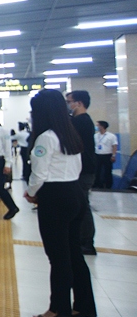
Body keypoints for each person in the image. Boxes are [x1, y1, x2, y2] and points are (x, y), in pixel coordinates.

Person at [24, 90, 96, 317]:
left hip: (55, 199)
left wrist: (31, 192)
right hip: (75, 193)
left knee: (58, 256)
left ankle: (58, 308)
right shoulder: (70, 133)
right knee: (74, 253)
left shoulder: (46, 137)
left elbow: (39, 174)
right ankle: (84, 306)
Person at [66, 91, 97, 255]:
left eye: (69, 102)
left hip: (83, 170)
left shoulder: (81, 121)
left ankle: (86, 241)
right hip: (82, 169)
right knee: (80, 205)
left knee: (82, 206)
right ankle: (82, 238)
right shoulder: (83, 120)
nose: (68, 105)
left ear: (79, 103)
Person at [93, 120, 118, 189]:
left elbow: (114, 146)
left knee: (108, 171)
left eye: (98, 125)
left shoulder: (111, 136)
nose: (96, 127)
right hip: (97, 155)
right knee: (97, 171)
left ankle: (108, 185)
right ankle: (97, 184)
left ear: (102, 126)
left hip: (107, 155)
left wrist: (113, 155)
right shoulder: (95, 135)